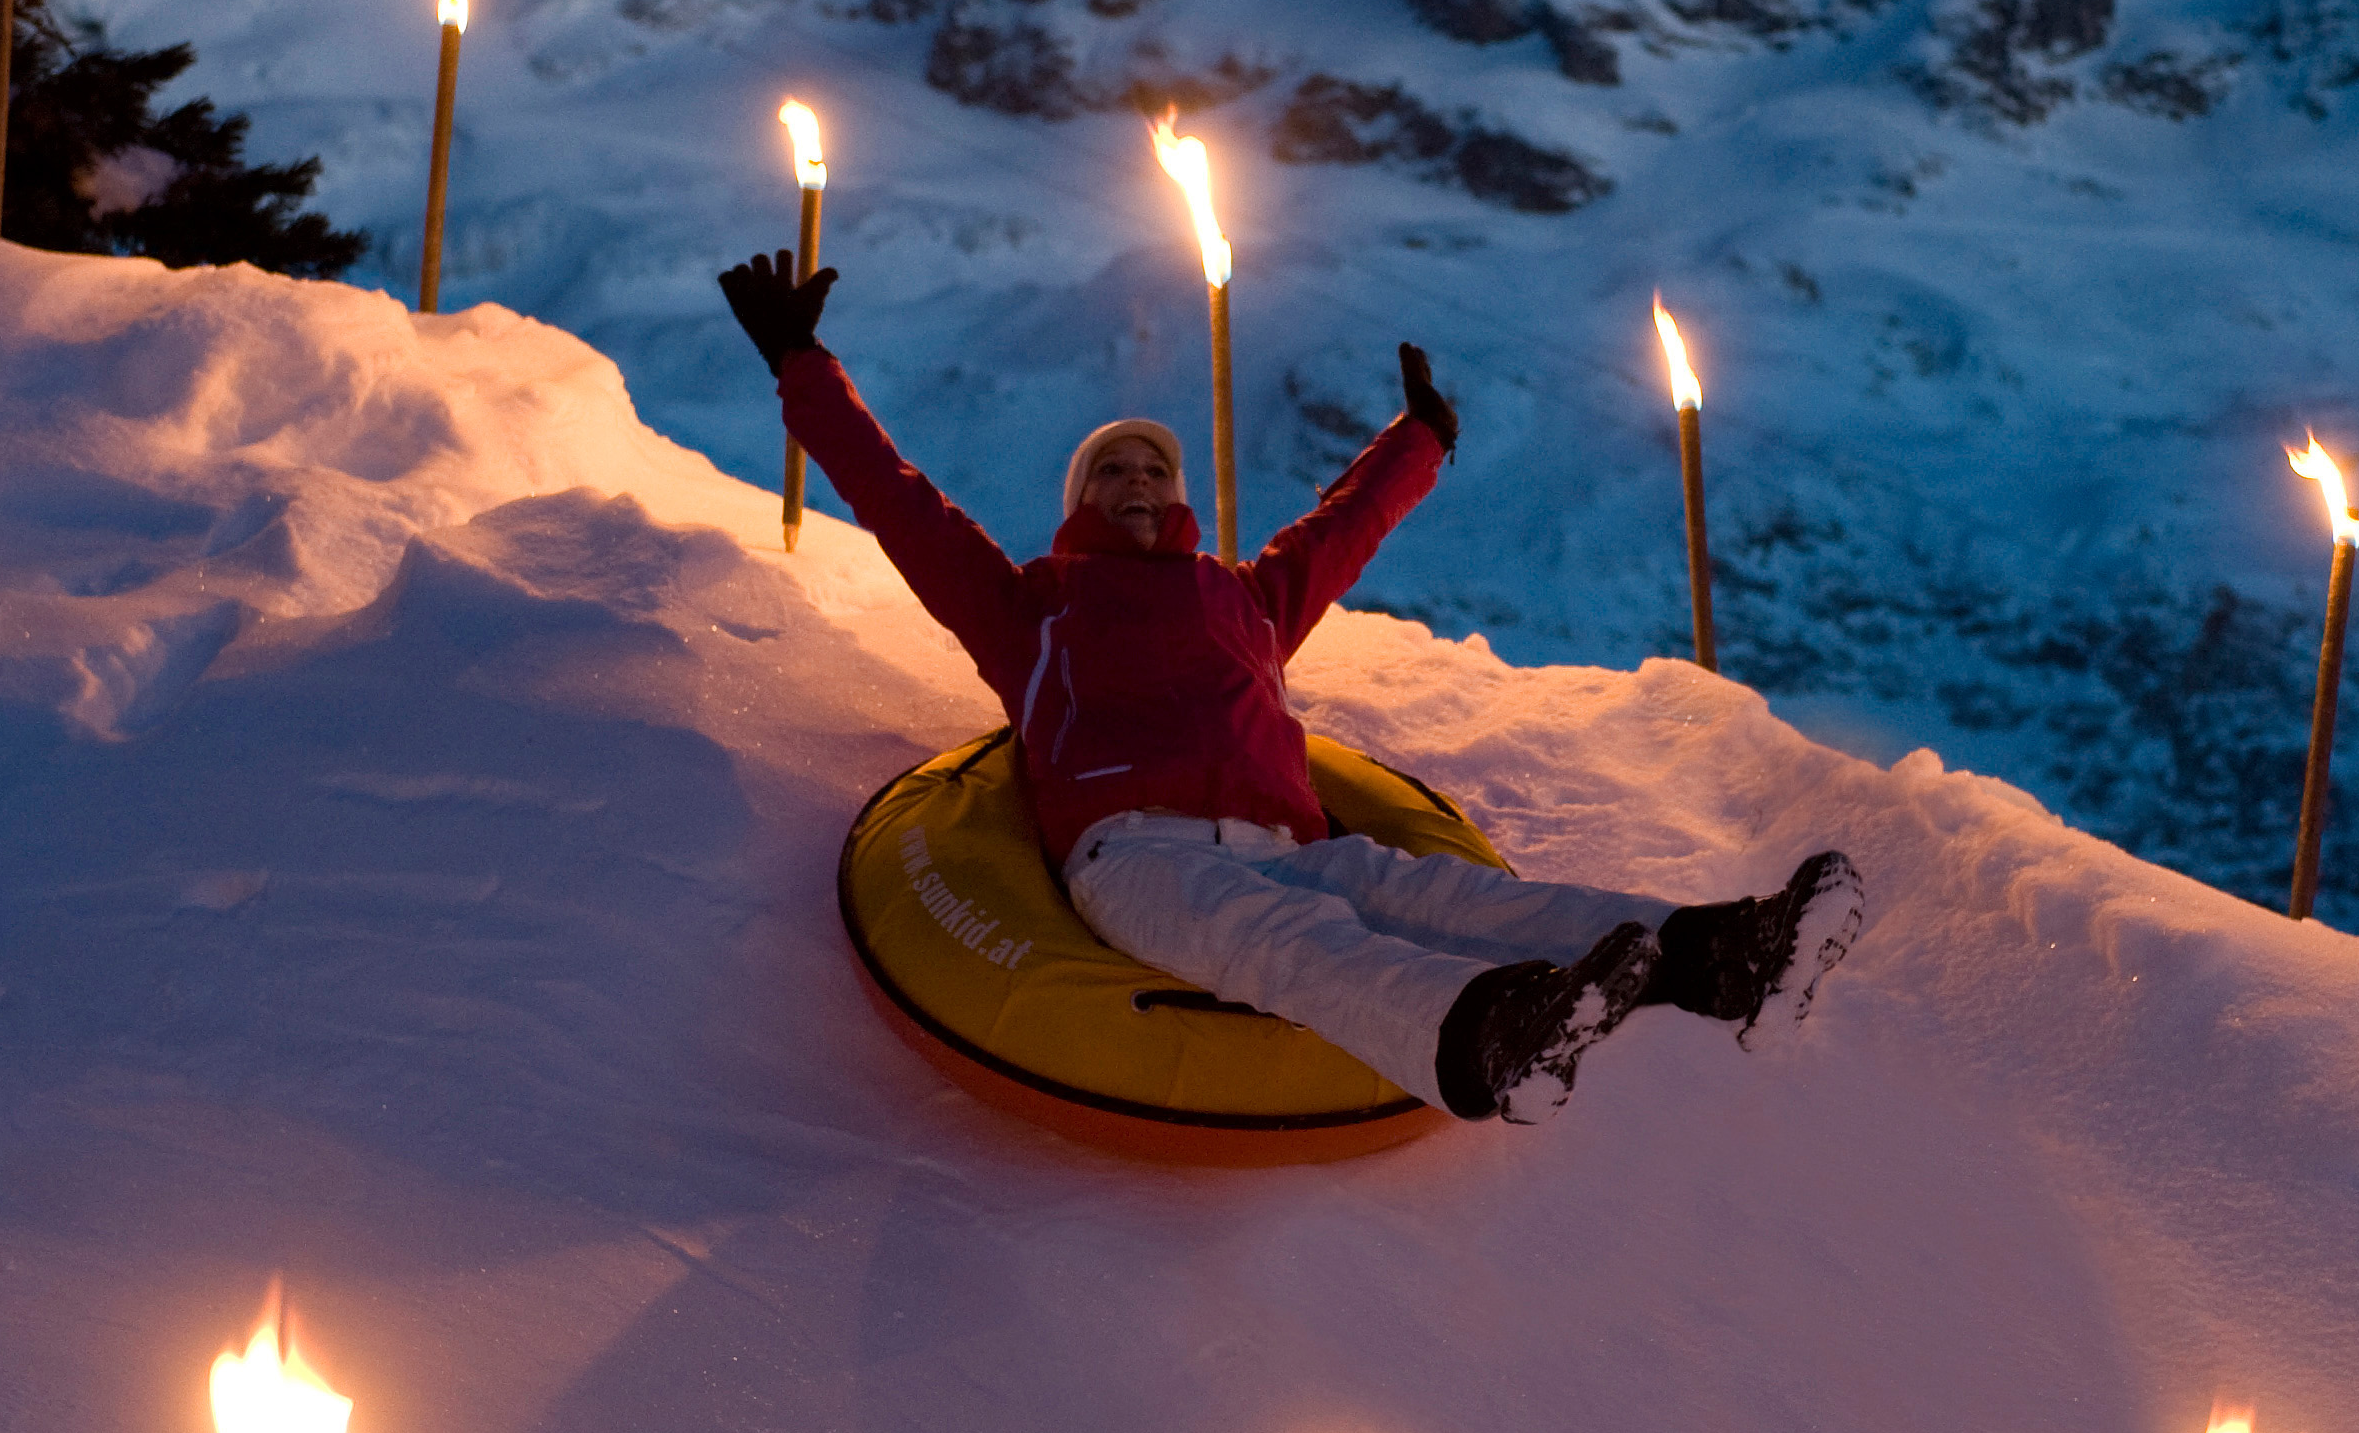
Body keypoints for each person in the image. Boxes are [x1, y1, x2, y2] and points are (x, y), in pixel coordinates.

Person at [717, 247, 1865, 1123]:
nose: (1134, 479)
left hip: (1292, 838)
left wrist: (1416, 439)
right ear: (1077, 497)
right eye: (1110, 467)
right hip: (1139, 856)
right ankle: (1477, 1043)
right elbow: (896, 498)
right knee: (1277, 942)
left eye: (1153, 467)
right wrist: (800, 369)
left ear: (1179, 496)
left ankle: (1726, 957)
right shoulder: (1030, 607)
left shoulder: (1241, 600)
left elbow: (1342, 530)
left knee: (1465, 902)